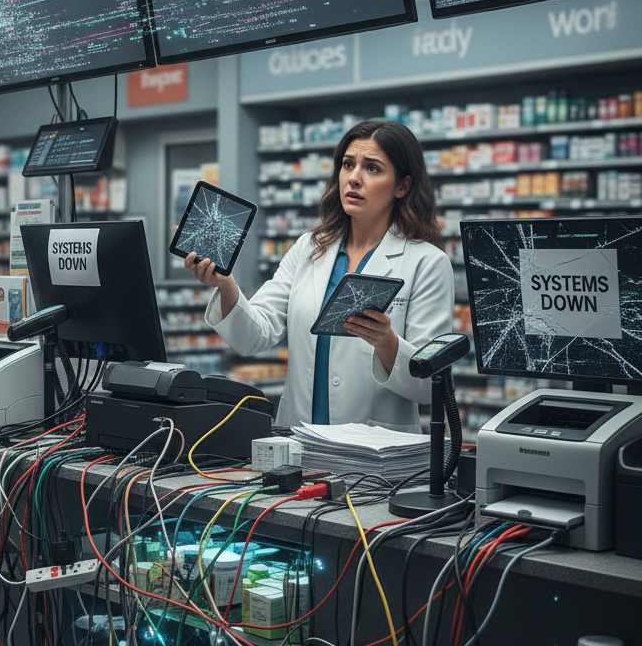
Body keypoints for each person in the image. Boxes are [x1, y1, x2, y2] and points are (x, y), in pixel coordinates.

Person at [185, 118, 453, 429]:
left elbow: (427, 385)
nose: (353, 178)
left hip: (375, 459)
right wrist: (226, 283)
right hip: (300, 443)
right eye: (348, 164)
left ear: (402, 186)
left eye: (373, 168)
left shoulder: (427, 263)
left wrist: (386, 341)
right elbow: (255, 336)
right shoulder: (309, 248)